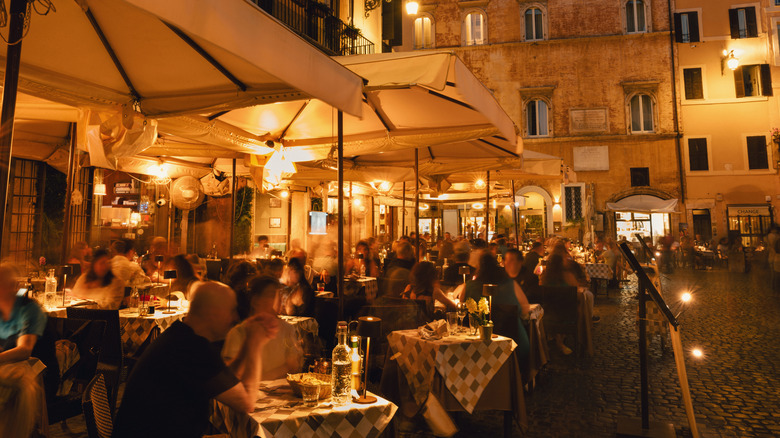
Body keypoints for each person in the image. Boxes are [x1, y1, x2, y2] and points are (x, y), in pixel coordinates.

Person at [112, 282, 278, 438]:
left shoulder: (180, 337)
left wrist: (248, 342)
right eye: (232, 310)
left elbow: (227, 381)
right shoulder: (192, 348)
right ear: (213, 313)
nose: (235, 318)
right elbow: (247, 403)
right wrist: (255, 342)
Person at [222, 276, 301, 380]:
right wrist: (284, 368)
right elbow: (232, 376)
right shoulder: (238, 333)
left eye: (280, 295)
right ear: (255, 301)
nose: (278, 299)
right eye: (272, 295)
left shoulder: (287, 329)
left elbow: (294, 367)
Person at [457, 253, 530, 360]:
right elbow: (525, 309)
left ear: (479, 268)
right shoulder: (510, 284)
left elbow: (461, 307)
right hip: (514, 343)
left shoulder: (469, 286)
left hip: (476, 347)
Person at [0, 265, 46, 364]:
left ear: (13, 286)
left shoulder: (29, 308)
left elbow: (24, 350)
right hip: (10, 367)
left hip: (36, 372)